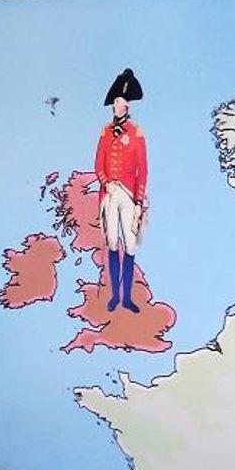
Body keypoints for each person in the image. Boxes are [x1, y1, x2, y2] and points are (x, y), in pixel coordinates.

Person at [95, 68, 148, 315]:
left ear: (128, 106)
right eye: (116, 102)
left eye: (122, 102)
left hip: (128, 195)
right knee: (112, 243)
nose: (118, 106)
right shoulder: (105, 132)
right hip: (110, 194)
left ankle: (127, 298)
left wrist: (138, 201)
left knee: (130, 244)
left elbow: (142, 170)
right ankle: (115, 296)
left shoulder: (137, 133)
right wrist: (106, 182)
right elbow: (98, 164)